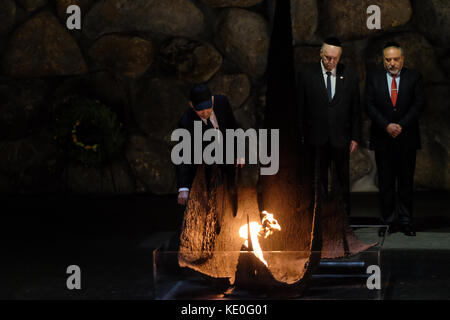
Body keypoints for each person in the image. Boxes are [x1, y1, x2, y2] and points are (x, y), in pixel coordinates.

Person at [296, 37, 361, 216]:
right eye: (327, 58)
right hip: (315, 138)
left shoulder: (349, 74)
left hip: (341, 138)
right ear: (321, 54)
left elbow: (356, 109)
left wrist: (355, 136)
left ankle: (343, 219)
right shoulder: (307, 74)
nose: (331, 62)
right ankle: (320, 217)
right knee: (318, 180)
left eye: (335, 58)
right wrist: (301, 137)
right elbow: (300, 108)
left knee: (342, 180)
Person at [365, 42, 424, 237]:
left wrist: (401, 125)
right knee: (386, 183)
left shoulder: (414, 77)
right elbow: (369, 105)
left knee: (406, 183)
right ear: (383, 61)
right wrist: (386, 125)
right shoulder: (373, 78)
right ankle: (388, 222)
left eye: (396, 59)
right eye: (388, 60)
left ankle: (406, 221)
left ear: (402, 59)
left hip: (407, 138)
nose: (392, 63)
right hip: (383, 139)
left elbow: (419, 104)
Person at [176, 83, 242, 206]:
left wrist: (239, 152)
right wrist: (183, 188)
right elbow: (184, 154)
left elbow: (233, 126)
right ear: (191, 105)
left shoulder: (222, 102)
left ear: (212, 99)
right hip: (205, 150)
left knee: (230, 168)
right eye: (200, 109)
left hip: (225, 143)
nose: (205, 112)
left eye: (208, 107)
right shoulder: (186, 122)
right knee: (208, 179)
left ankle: (231, 188)